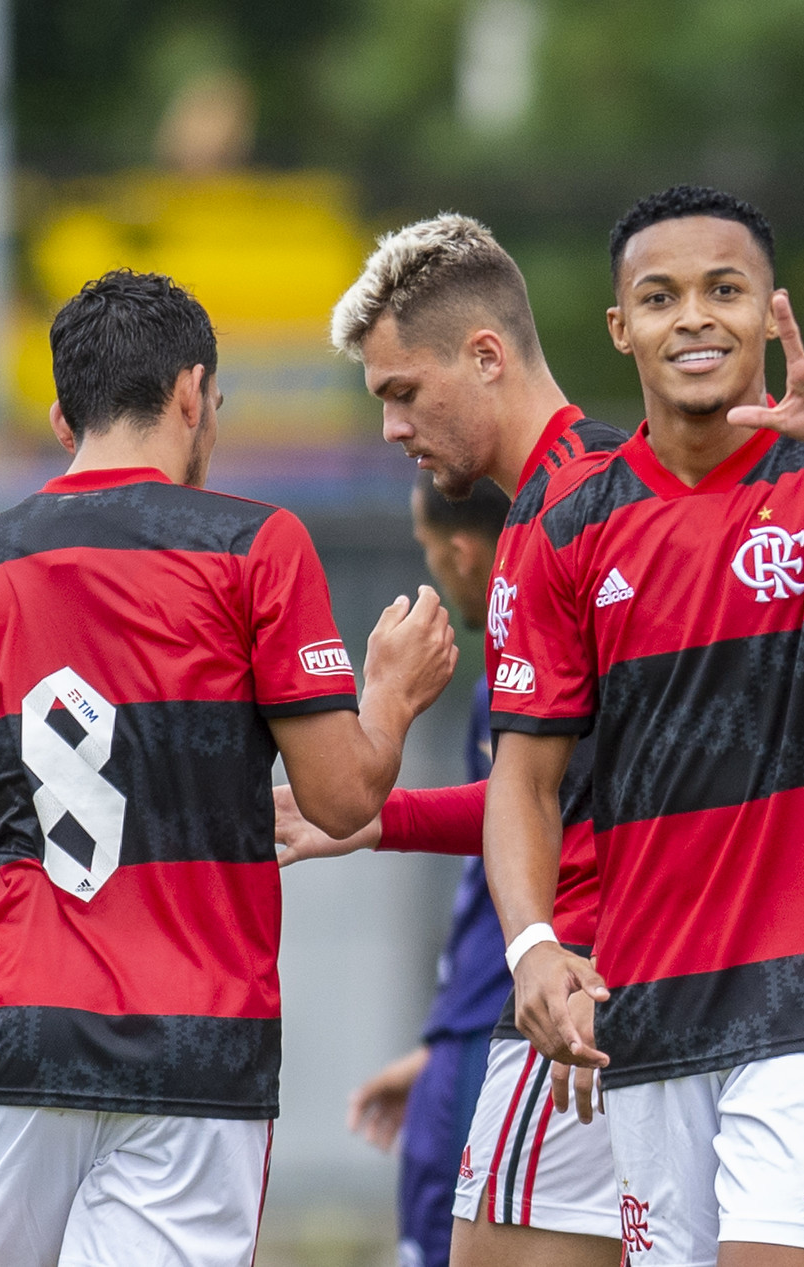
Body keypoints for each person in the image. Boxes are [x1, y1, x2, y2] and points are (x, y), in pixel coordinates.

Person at [0, 269, 458, 1266]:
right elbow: (342, 797)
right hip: (196, 1058)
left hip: (11, 1045)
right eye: (214, 405)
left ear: (62, 418)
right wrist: (389, 701)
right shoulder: (254, 546)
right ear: (193, 393)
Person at [485, 184, 804, 1267]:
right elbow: (526, 780)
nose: (693, 316)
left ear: (766, 308)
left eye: (723, 290)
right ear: (620, 328)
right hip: (649, 999)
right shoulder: (573, 527)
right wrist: (533, 945)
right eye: (661, 296)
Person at [308, 213, 631, 1267]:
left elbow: (563, 796)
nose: (393, 428)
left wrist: (545, 948)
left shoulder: (572, 522)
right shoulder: (582, 499)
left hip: (585, 983)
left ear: (484, 355)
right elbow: (582, 782)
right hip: (628, 981)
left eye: (402, 391)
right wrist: (369, 821)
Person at [339, 476, 518, 1267]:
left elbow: (542, 842)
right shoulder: (514, 675)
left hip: (502, 1034)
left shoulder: (519, 685)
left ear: (458, 549)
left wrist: (366, 809)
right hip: (485, 1029)